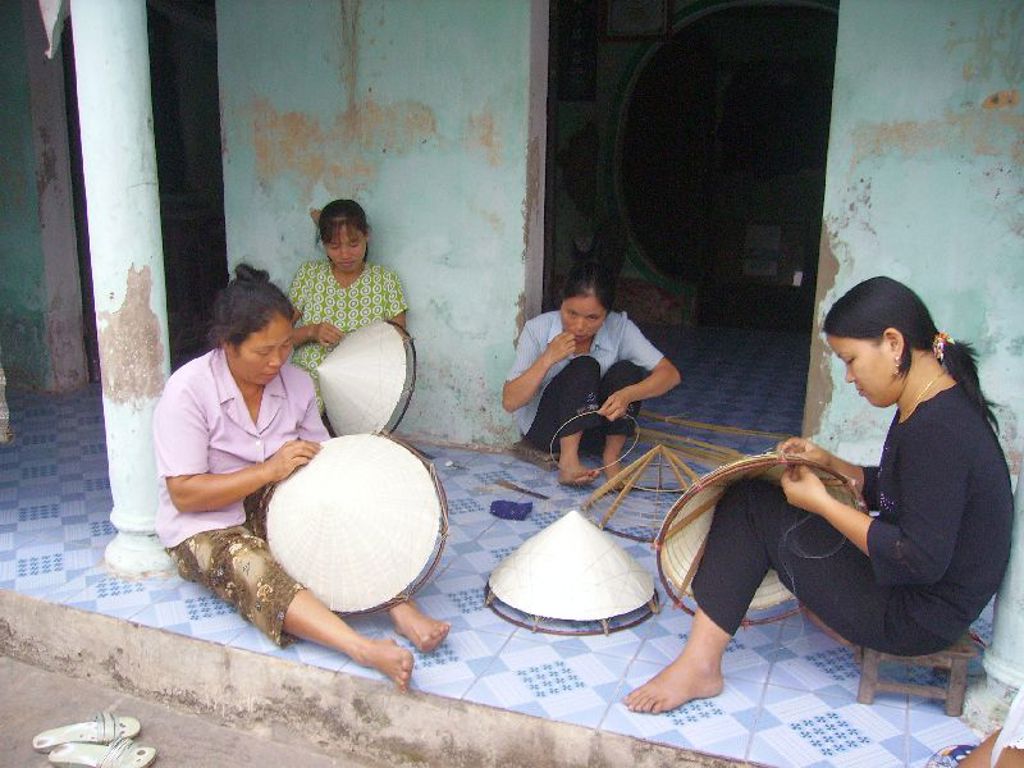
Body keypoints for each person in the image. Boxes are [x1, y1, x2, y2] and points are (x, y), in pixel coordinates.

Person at [625, 275, 1012, 714]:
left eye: (850, 359)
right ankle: (710, 657)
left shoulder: (938, 429)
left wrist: (822, 503)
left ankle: (699, 667)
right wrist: (831, 464)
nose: (848, 377)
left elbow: (917, 557)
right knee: (757, 501)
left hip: (915, 617)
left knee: (751, 506)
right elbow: (903, 493)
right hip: (921, 597)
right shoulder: (933, 401)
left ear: (892, 343)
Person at [153, 264, 447, 691]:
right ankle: (361, 648)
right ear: (226, 345)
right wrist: (268, 470)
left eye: (286, 346)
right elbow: (184, 494)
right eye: (262, 351)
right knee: (252, 566)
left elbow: (322, 459)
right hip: (204, 522)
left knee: (335, 512)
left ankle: (397, 602)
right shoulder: (188, 390)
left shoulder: (297, 383)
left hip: (272, 498)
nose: (277, 361)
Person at [502, 260, 681, 486]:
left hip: (595, 430)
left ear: (606, 314)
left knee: (628, 371)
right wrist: (547, 358)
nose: (579, 326)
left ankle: (611, 457)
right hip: (548, 433)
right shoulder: (538, 329)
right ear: (562, 303)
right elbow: (509, 401)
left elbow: (670, 375)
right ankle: (568, 462)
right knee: (585, 366)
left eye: (592, 318)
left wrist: (628, 395)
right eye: (571, 313)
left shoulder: (620, 328)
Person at [288, 199, 408, 408]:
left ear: (366, 236)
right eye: (334, 246)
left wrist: (360, 346)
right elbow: (276, 336)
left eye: (353, 244)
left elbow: (399, 340)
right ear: (324, 244)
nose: (345, 254)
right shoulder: (309, 275)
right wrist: (312, 332)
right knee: (299, 413)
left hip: (359, 385)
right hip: (307, 383)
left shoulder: (385, 280)